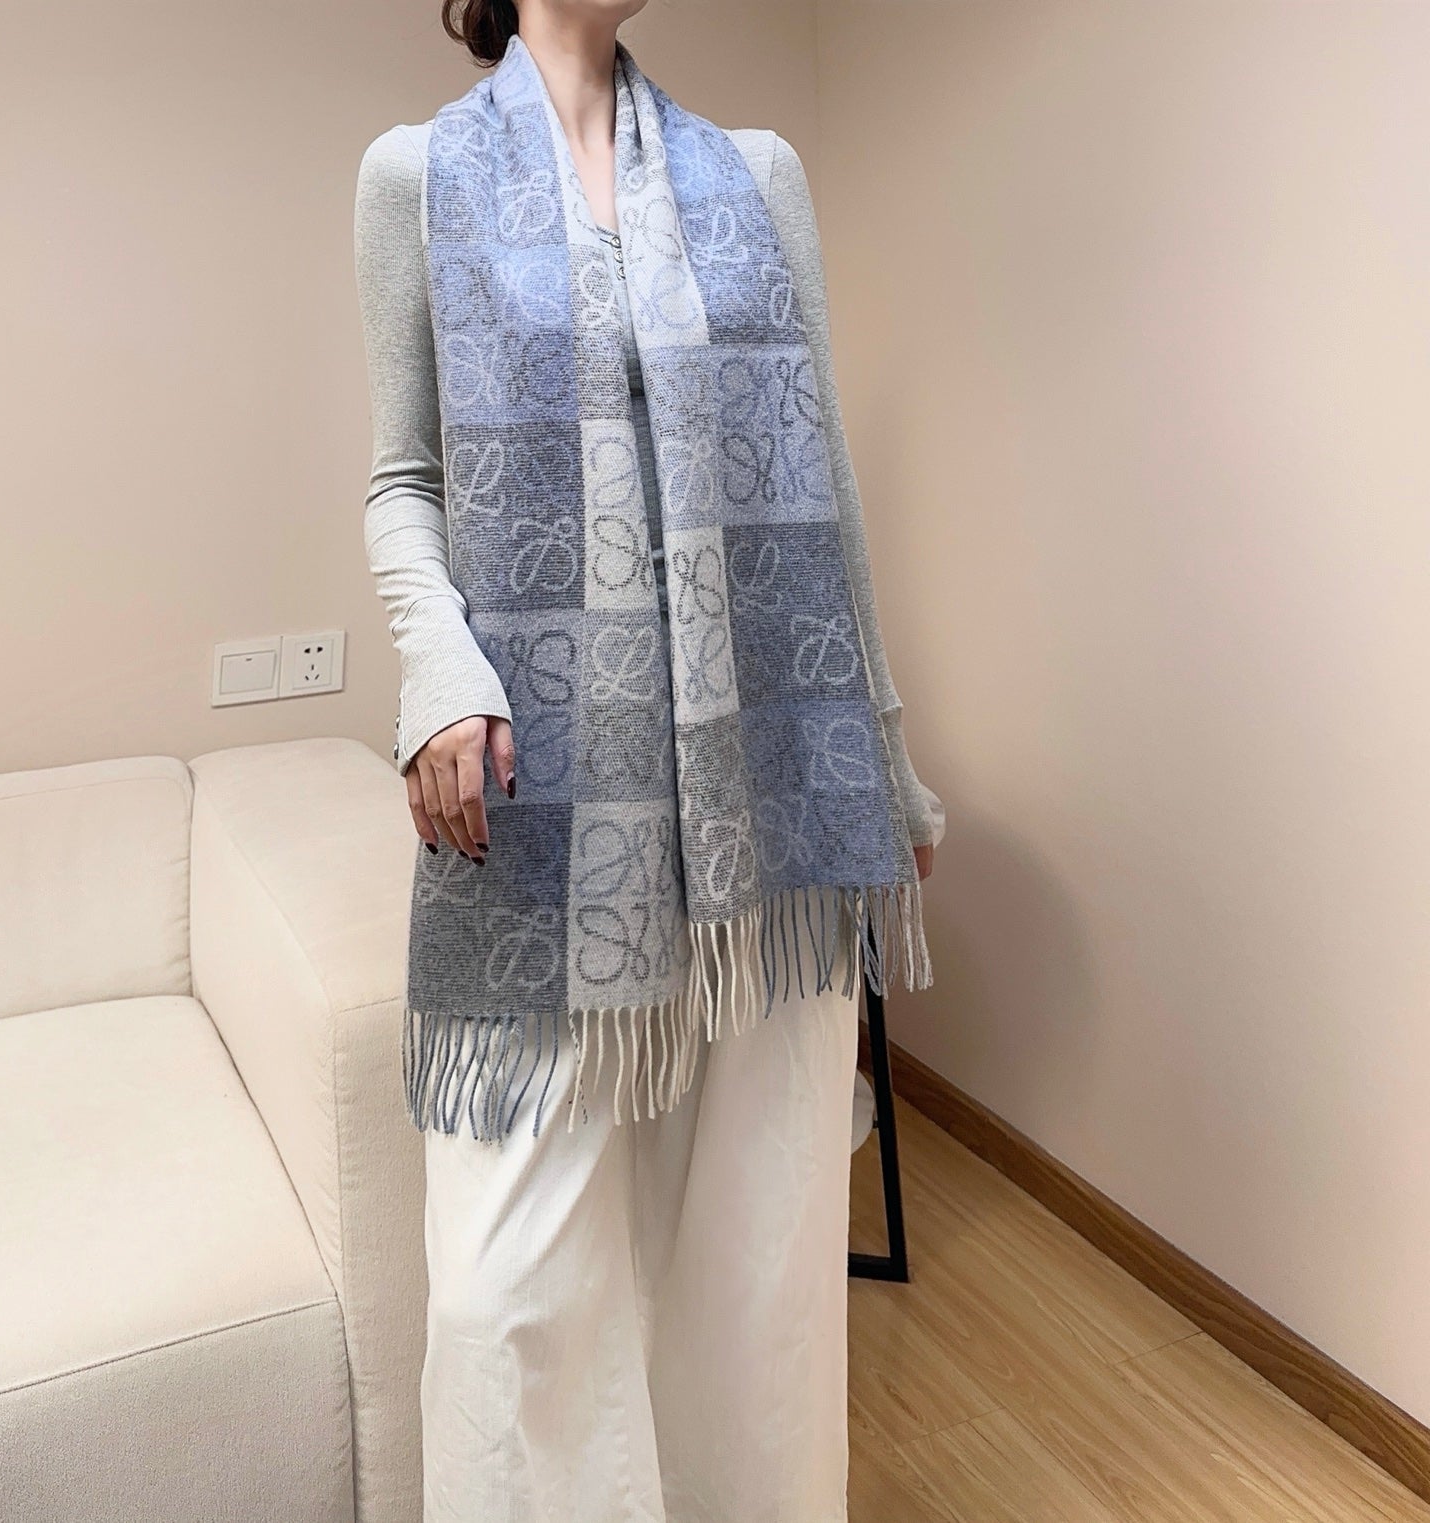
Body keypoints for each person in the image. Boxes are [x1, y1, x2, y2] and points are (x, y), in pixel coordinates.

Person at [353, 2, 944, 1518]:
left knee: (755, 1286)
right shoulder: (416, 177)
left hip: (777, 799)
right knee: (503, 1304)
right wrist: (437, 670)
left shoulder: (759, 174)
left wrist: (888, 760)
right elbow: (406, 482)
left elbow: (826, 489)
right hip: (553, 810)